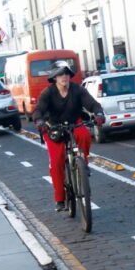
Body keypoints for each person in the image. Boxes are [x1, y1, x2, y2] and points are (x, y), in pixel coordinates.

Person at [32, 60, 105, 211]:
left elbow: (92, 104)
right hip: (54, 127)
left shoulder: (77, 90)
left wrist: (98, 113)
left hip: (74, 122)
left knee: (84, 135)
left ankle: (82, 163)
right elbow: (39, 109)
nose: (64, 77)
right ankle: (60, 199)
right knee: (57, 161)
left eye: (66, 73)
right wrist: (39, 121)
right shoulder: (48, 92)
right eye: (60, 74)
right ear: (54, 78)